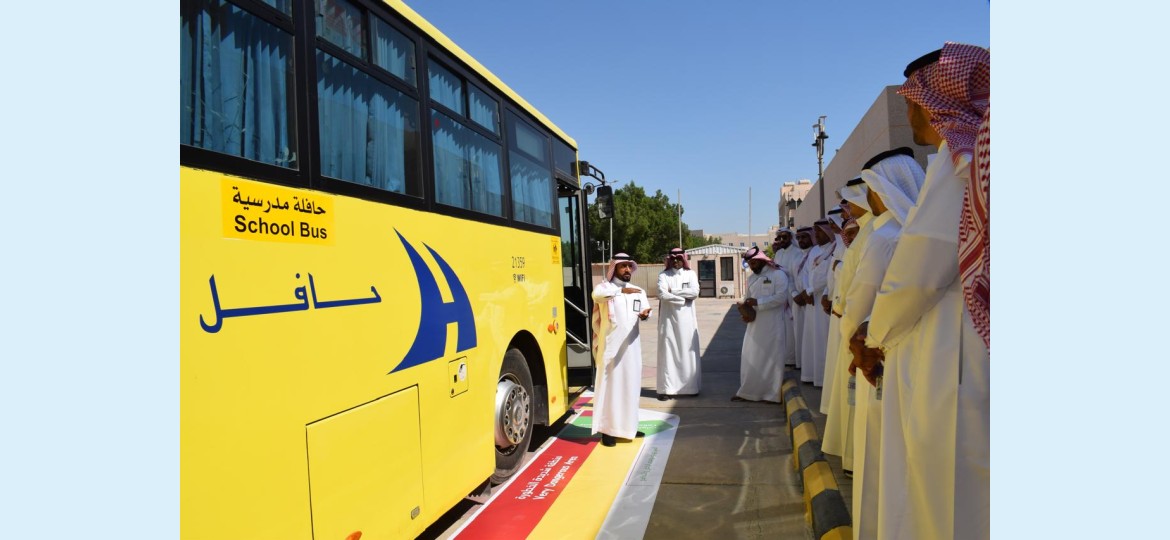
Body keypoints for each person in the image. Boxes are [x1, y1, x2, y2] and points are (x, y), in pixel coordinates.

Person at [861, 43, 990, 540]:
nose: (910, 113)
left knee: (948, 491)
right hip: (961, 343)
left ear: (937, 102)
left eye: (913, 101)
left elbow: (918, 272)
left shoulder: (956, 165)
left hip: (954, 349)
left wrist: (874, 334)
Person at [838, 147, 926, 540]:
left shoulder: (883, 236)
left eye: (873, 189)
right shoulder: (915, 231)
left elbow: (862, 299)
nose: (869, 197)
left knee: (879, 449)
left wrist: (854, 340)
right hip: (910, 354)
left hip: (875, 353)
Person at [821, 179, 874, 475]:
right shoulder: (867, 236)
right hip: (849, 325)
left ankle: (858, 461)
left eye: (851, 203)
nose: (847, 212)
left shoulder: (878, 236)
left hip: (865, 332)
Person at [591, 253, 652, 447]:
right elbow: (596, 296)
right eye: (623, 266)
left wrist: (645, 315)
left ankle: (628, 427)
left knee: (630, 387)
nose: (627, 270)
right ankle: (608, 431)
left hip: (631, 348)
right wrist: (620, 292)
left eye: (629, 266)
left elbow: (645, 310)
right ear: (614, 268)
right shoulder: (605, 288)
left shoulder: (638, 291)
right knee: (611, 389)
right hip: (611, 348)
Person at [733, 247, 790, 403]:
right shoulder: (752, 278)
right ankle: (748, 392)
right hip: (754, 326)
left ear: (761, 260)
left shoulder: (778, 275)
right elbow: (748, 299)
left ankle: (771, 395)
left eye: (754, 262)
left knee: (771, 359)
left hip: (772, 325)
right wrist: (745, 312)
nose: (752, 266)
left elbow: (781, 297)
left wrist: (759, 302)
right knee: (751, 357)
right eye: (750, 263)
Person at [656, 247, 702, 400]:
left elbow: (694, 293)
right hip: (668, 321)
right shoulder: (663, 275)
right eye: (673, 259)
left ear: (684, 259)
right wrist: (683, 299)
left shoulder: (691, 274)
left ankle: (690, 388)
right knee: (668, 352)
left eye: (679, 258)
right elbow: (662, 294)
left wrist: (673, 291)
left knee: (687, 352)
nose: (676, 261)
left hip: (687, 321)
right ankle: (667, 390)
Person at [771, 228, 801, 367]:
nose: (782, 240)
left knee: (793, 325)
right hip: (780, 292)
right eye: (779, 238)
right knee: (781, 325)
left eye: (785, 237)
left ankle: (793, 358)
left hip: (792, 291)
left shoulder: (797, 252)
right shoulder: (778, 253)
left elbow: (795, 274)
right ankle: (784, 357)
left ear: (790, 238)